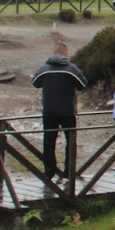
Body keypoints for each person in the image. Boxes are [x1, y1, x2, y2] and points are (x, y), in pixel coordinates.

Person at [32, 42, 88, 184]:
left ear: (53, 52)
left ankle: (49, 172)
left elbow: (35, 83)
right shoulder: (71, 69)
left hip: (49, 111)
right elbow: (83, 84)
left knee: (49, 142)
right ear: (65, 53)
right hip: (67, 111)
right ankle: (68, 172)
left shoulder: (44, 68)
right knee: (71, 142)